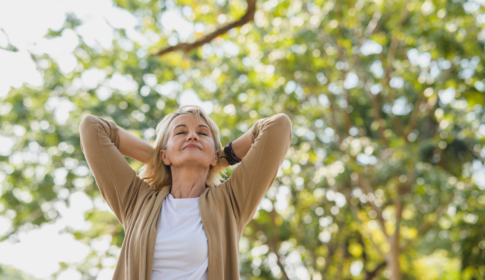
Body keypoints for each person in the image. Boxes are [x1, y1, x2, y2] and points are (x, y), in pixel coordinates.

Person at [79, 104, 292, 280]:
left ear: (214, 155)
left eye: (202, 133)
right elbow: (92, 128)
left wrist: (220, 158)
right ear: (164, 155)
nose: (192, 136)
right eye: (181, 132)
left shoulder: (231, 202)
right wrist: (159, 159)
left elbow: (278, 127)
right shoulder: (136, 200)